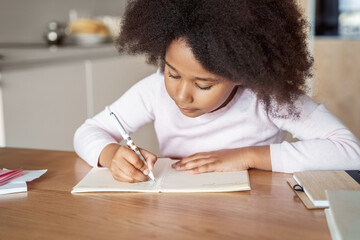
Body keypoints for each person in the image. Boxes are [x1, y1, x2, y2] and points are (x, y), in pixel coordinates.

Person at [74, 0, 360, 183]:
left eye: (203, 85)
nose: (181, 95)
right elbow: (88, 131)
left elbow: (350, 152)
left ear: (241, 72)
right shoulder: (153, 90)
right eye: (172, 73)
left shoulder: (267, 98)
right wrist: (110, 154)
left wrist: (248, 156)